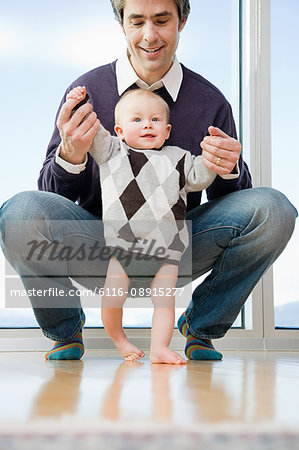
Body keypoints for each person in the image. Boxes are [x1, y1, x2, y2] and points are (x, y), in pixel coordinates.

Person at [0, 0, 297, 362]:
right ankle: (65, 331)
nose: (149, 35)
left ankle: (200, 329)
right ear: (121, 23)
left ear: (182, 21)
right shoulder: (87, 91)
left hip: (175, 246)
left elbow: (232, 202)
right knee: (19, 213)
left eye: (161, 20)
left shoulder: (210, 102)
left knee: (274, 210)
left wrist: (230, 166)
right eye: (137, 21)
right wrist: (72, 154)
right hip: (102, 244)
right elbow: (47, 202)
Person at [66, 86, 216, 364]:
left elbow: (201, 176)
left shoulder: (180, 158)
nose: (147, 124)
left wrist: (213, 158)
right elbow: (90, 128)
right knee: (112, 301)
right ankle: (120, 340)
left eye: (155, 120)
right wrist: (78, 104)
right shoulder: (112, 151)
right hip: (123, 248)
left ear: (167, 130)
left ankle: (160, 347)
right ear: (120, 131)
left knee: (164, 302)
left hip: (167, 251)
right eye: (137, 120)